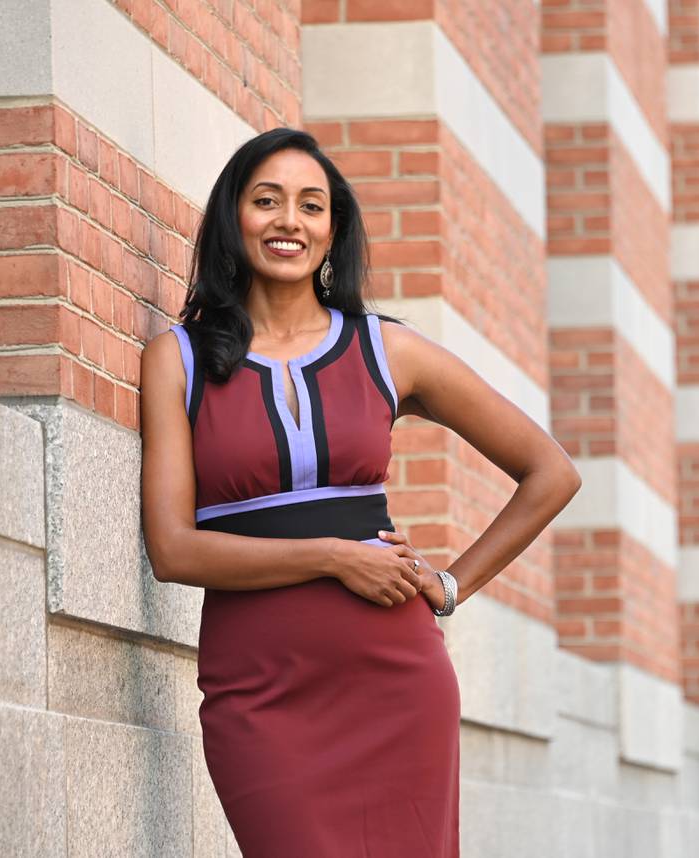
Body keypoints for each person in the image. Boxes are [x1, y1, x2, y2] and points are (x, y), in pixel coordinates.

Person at [139, 127, 582, 857]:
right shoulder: (177, 360)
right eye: (267, 201)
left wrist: (449, 584)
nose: (289, 221)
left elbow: (551, 470)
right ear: (232, 216)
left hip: (394, 682)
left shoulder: (387, 349)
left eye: (311, 207)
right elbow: (172, 549)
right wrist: (337, 558)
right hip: (258, 692)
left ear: (332, 230)